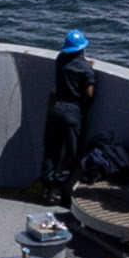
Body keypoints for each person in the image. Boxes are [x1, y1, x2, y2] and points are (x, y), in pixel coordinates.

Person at [48, 30, 104, 188]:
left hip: (55, 107)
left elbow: (72, 64)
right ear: (82, 49)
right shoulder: (85, 69)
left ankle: (47, 184)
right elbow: (89, 92)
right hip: (72, 111)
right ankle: (59, 185)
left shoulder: (60, 59)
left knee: (52, 149)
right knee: (71, 151)